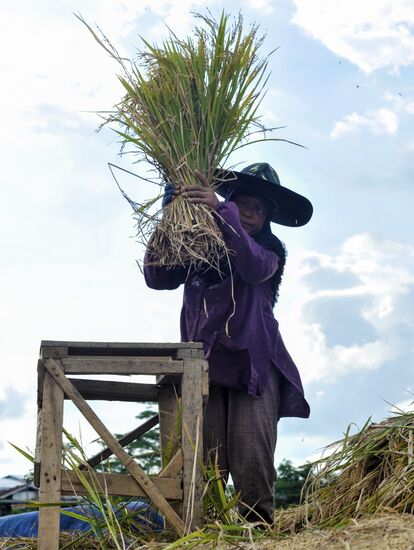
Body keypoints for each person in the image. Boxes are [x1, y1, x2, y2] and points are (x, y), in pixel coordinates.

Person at [143, 163, 313, 526]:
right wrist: (169, 217)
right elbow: (157, 278)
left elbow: (251, 267)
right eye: (243, 204)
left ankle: (258, 530)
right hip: (204, 366)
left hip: (253, 366)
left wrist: (223, 211)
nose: (249, 214)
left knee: (251, 455)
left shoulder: (270, 252)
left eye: (259, 210)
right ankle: (208, 532)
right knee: (207, 461)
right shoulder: (199, 246)